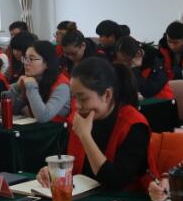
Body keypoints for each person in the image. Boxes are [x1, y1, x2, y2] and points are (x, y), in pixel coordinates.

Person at [36, 57, 150, 192]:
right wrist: (52, 171)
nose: (77, 106)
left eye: (83, 98)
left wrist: (85, 137)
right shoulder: (79, 119)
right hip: (81, 195)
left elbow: (115, 183)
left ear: (107, 95)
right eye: (74, 97)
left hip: (121, 200)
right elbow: (65, 161)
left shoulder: (134, 125)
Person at [2, 39, 72, 123]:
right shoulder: (31, 80)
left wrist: (31, 87)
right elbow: (4, 113)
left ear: (47, 63)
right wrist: (16, 87)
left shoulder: (62, 86)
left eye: (31, 59)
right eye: (25, 58)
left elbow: (44, 117)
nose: (26, 63)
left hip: (58, 130)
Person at [113, 36, 173, 100]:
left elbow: (147, 91)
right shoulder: (126, 65)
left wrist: (135, 68)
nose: (124, 64)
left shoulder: (154, 63)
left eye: (126, 60)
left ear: (137, 54)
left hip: (162, 101)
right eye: (120, 60)